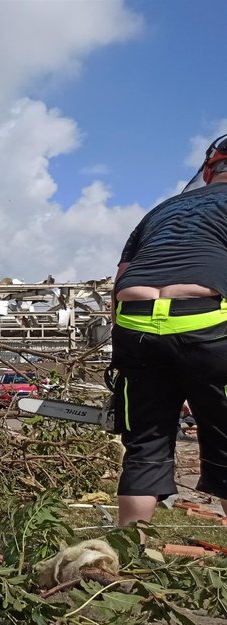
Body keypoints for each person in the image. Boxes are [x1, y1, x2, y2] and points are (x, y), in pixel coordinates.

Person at [112, 133, 227, 530]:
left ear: (210, 169)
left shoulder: (163, 210)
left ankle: (128, 560)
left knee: (145, 446)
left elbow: (122, 276)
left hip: (134, 320)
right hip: (207, 319)